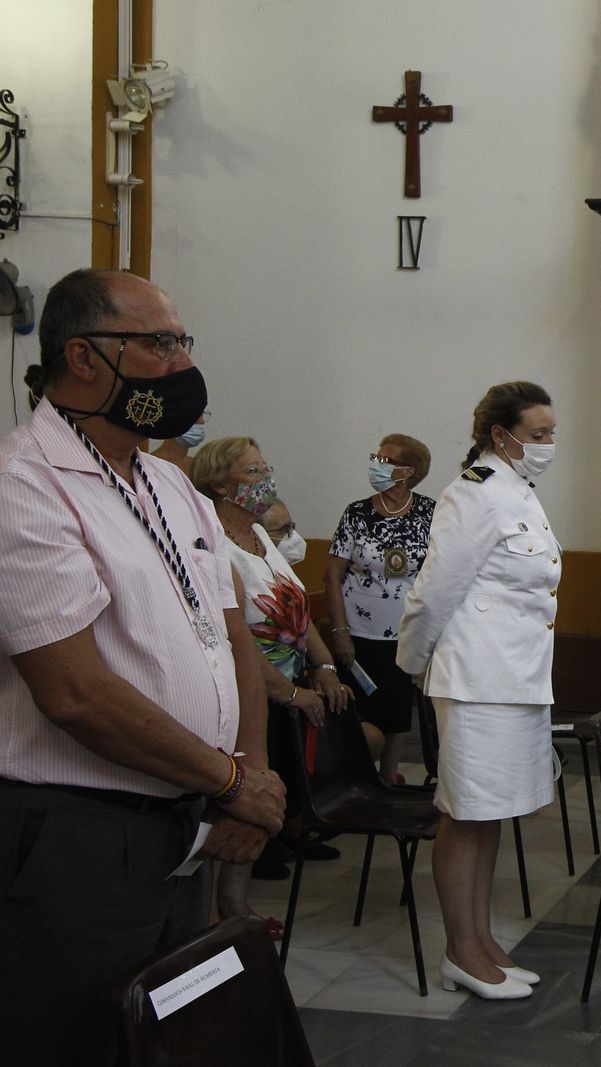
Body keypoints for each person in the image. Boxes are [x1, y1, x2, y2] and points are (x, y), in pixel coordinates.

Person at [0, 269, 285, 1066]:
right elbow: (74, 693)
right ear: (83, 356)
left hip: (186, 815)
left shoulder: (168, 482)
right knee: (77, 1038)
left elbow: (231, 637)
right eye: (160, 343)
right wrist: (230, 780)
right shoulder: (24, 485)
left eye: (182, 340)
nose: (182, 363)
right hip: (79, 832)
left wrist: (248, 777)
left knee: (168, 1037)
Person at [397, 381, 559, 1001]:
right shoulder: (474, 492)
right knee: (464, 815)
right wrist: (415, 666)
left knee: (490, 814)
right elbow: (435, 591)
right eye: (538, 434)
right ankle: (460, 952)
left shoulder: (518, 490)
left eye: (551, 432)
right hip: (476, 681)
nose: (548, 444)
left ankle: (482, 940)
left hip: (515, 677)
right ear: (500, 434)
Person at [192, 438, 351, 907]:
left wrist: (323, 665)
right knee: (244, 793)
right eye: (253, 472)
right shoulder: (210, 543)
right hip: (247, 692)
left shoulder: (260, 535)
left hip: (285, 690)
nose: (266, 480)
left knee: (274, 790)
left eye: (265, 468)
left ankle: (239, 899)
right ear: (220, 485)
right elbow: (234, 637)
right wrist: (287, 692)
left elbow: (295, 604)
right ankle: (225, 910)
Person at [327, 434, 436, 784]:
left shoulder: (431, 513)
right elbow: (332, 575)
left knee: (396, 707)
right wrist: (340, 632)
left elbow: (440, 574)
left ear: (409, 471)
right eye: (376, 457)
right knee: (357, 707)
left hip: (406, 632)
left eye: (385, 460)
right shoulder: (357, 513)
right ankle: (355, 778)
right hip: (358, 632)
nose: (376, 464)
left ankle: (389, 777)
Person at [146, 406, 209, 476]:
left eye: (202, 414)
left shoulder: (196, 466)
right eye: (197, 415)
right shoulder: (151, 465)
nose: (202, 421)